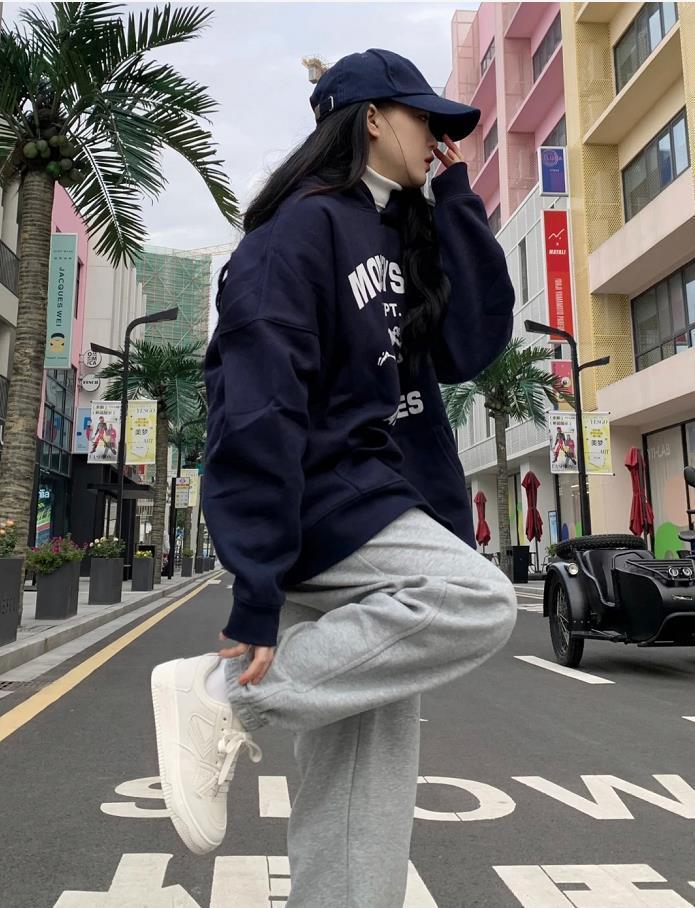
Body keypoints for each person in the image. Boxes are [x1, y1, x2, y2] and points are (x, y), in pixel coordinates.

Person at [150, 48, 517, 907]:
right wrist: (254, 588)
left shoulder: (401, 231)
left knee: (361, 791)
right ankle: (223, 696)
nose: (439, 137)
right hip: (324, 498)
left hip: (377, 494)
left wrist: (455, 199)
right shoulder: (296, 234)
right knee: (475, 598)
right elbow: (256, 407)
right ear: (372, 119)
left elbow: (470, 345)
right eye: (425, 118)